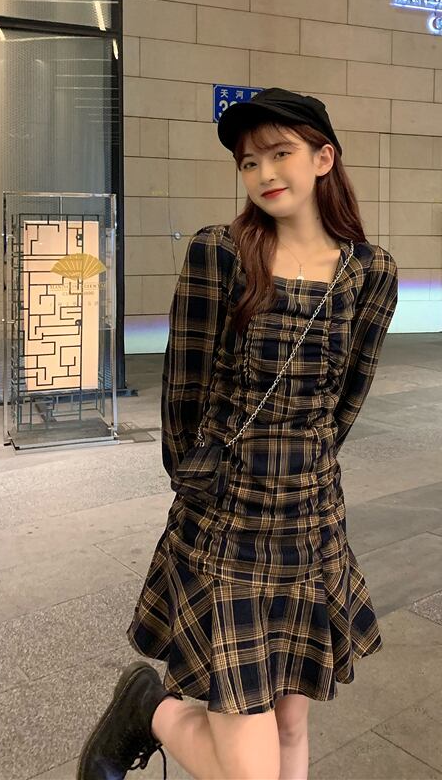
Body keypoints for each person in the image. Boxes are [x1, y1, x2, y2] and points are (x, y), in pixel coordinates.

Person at [77, 87, 399, 780]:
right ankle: (151, 709)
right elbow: (183, 393)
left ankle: (146, 706)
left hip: (311, 520)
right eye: (249, 162)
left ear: (323, 158)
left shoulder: (369, 272)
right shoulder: (219, 253)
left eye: (279, 154)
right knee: (249, 768)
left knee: (290, 725)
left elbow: (347, 398)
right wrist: (204, 479)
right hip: (228, 520)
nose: (263, 173)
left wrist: (306, 463)